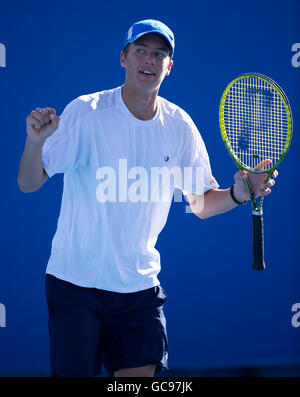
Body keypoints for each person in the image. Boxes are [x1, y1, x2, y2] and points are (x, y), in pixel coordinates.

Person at [17, 19, 277, 377]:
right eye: (141, 51)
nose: (149, 61)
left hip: (138, 290)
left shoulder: (179, 126)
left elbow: (200, 205)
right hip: (74, 285)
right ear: (123, 58)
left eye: (159, 54)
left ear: (169, 67)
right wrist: (34, 143)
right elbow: (28, 183)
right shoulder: (86, 113)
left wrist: (240, 192)